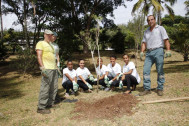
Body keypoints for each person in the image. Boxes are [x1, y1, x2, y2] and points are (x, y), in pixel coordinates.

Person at [139, 15, 171, 96]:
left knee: (159, 70)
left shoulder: (160, 28)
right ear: (147, 22)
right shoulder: (146, 31)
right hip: (149, 53)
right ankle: (147, 89)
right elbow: (144, 43)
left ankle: (160, 88)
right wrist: (142, 51)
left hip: (158, 51)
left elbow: (166, 40)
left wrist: (168, 50)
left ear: (155, 20)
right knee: (145, 70)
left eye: (152, 19)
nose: (150, 21)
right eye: (149, 20)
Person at [36, 29, 58, 114]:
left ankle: (50, 103)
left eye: (51, 35)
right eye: (48, 35)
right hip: (47, 69)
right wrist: (42, 68)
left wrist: (56, 67)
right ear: (44, 35)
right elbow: (39, 56)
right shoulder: (40, 43)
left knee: (54, 87)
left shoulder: (51, 45)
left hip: (54, 69)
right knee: (45, 88)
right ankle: (41, 107)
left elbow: (54, 57)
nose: (50, 36)